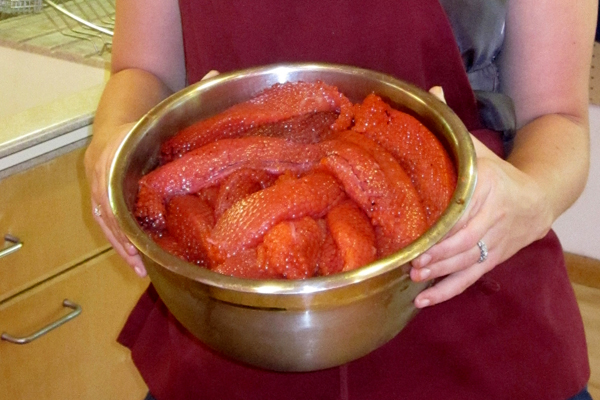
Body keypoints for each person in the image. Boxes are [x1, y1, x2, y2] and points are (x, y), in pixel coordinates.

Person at [84, 0, 597, 399]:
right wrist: (111, 142)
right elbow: (141, 71)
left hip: (466, 283)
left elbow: (559, 117)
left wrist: (531, 199)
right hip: (231, 311)